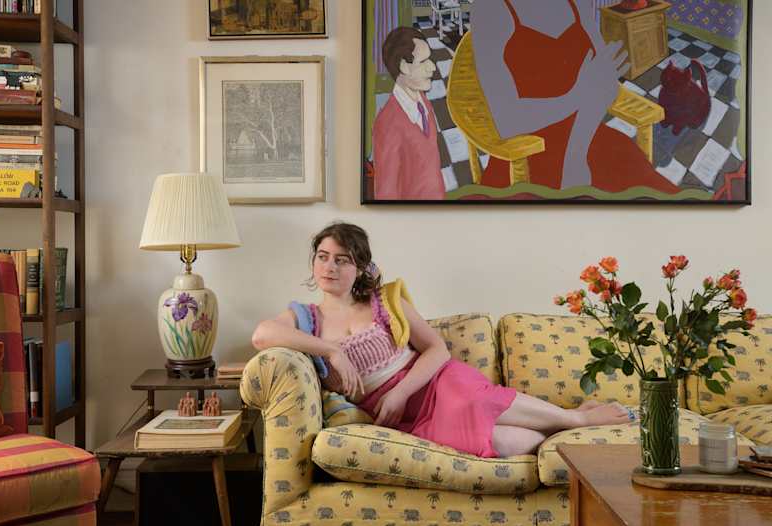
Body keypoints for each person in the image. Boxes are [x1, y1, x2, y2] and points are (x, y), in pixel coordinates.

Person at [251, 223, 629, 457]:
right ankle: (561, 431)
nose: (329, 267)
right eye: (322, 257)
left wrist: (400, 393)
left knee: (474, 399)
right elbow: (262, 334)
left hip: (435, 383)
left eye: (341, 259)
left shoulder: (385, 301)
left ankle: (576, 417)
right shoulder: (307, 318)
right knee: (504, 443)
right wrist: (332, 350)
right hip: (404, 418)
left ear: (360, 267)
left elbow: (437, 349)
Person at [471, 0, 680, 194]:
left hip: (587, 135)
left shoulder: (576, 3)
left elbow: (604, 82)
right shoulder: (490, 9)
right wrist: (577, 95)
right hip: (526, 154)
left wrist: (576, 154)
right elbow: (508, 123)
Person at [372, 27, 445, 200]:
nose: (432, 67)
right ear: (404, 66)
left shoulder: (424, 103)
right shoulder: (388, 123)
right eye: (423, 61)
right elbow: (386, 192)